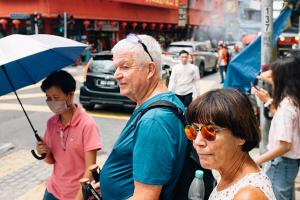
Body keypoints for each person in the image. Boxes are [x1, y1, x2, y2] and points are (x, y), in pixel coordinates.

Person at [99, 34, 188, 199]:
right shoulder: (154, 104)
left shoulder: (155, 120)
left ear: (150, 69)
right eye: (116, 67)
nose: (116, 75)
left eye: (125, 67)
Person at [185, 88, 276, 199]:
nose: (197, 142)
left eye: (210, 131)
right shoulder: (230, 175)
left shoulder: (247, 195)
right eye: (194, 130)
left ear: (241, 135)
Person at [36, 70, 102, 200]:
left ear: (70, 95)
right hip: (53, 191)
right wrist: (43, 152)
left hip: (79, 193)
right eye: (48, 98)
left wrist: (79, 197)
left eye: (56, 97)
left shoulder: (87, 124)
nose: (51, 102)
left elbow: (90, 168)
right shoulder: (51, 123)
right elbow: (50, 161)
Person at [253, 56, 300, 200]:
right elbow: (284, 123)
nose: (270, 74)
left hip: (281, 163)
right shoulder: (294, 100)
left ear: (282, 78)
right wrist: (268, 101)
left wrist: (257, 161)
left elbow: (284, 146)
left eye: (275, 73)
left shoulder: (287, 106)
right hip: (289, 164)